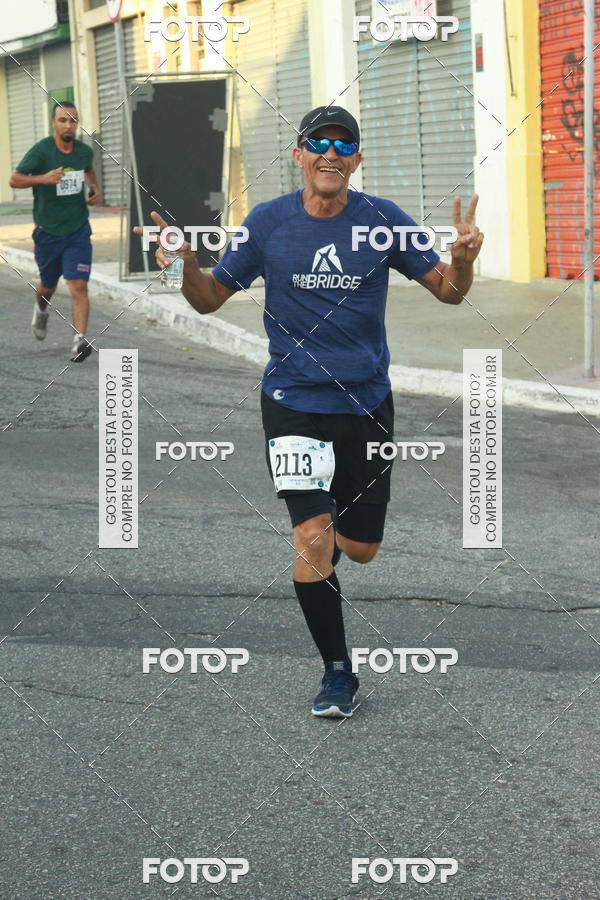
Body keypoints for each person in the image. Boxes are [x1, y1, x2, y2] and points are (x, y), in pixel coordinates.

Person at [136, 106, 483, 718]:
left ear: (356, 158)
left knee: (361, 545)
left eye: (343, 144)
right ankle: (338, 672)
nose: (330, 153)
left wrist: (463, 259)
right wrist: (188, 267)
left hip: (366, 404)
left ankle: (341, 539)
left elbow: (448, 293)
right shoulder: (268, 223)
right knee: (311, 536)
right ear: (298, 155)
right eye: (317, 142)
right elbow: (211, 298)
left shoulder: (381, 220)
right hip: (291, 403)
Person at [10, 100, 101, 362]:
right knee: (47, 287)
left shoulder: (84, 152)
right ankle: (41, 311)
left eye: (73, 120)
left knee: (78, 286)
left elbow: (89, 171)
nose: (68, 125)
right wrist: (43, 178)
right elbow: (14, 179)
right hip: (48, 231)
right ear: (54, 123)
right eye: (63, 120)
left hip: (78, 230)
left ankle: (78, 342)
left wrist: (94, 190)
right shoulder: (41, 152)